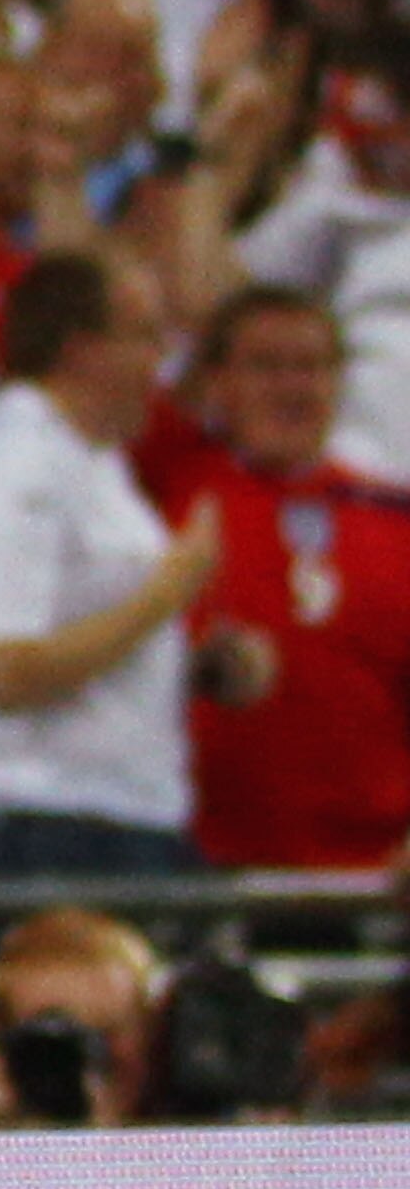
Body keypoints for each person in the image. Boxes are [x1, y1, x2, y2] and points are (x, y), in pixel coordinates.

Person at [0, 249, 216, 899]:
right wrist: (166, 595)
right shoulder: (17, 466)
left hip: (119, 809)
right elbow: (7, 672)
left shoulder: (93, 461)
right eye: (144, 337)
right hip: (49, 817)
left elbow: (82, 635)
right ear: (82, 350)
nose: (160, 364)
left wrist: (200, 665)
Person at [157, 289, 410, 874]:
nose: (292, 388)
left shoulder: (394, 517)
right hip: (204, 862)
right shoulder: (165, 493)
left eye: (311, 367)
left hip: (373, 872)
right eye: (267, 365)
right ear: (217, 383)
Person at [0, 907, 171, 1132]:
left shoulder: (198, 1141)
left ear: (150, 1032)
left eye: (105, 1034)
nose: (76, 1061)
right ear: (3, 1044)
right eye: (52, 1039)